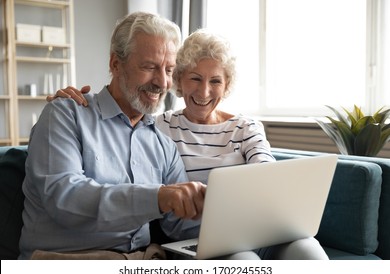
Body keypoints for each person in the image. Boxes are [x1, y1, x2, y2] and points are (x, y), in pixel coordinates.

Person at [50, 29, 329, 260]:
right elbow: (121, 118)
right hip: (201, 239)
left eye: (215, 81)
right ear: (179, 81)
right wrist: (75, 105)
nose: (204, 91)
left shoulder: (246, 128)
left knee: (308, 252)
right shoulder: (158, 127)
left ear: (226, 83)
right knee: (244, 261)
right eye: (195, 78)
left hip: (260, 229)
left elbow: (267, 176)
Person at [18, 12, 209, 260]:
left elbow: (181, 225)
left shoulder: (162, 144)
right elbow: (65, 199)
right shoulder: (65, 114)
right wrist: (158, 197)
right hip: (69, 261)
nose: (162, 82)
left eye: (169, 69)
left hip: (142, 261)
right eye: (149, 67)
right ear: (115, 64)